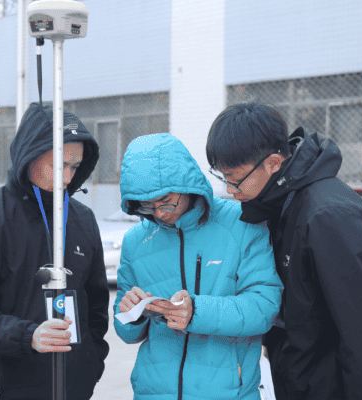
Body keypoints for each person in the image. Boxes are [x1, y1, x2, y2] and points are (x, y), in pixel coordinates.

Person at [205, 103, 362, 400]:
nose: (229, 189)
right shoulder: (275, 205)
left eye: (234, 177)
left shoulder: (328, 216)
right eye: (222, 177)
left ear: (273, 163)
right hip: (304, 382)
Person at [0, 103, 109, 400]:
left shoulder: (83, 219)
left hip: (75, 388)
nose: (68, 177)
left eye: (75, 167)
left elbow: (96, 305)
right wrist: (28, 335)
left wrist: (91, 364)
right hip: (7, 387)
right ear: (29, 156)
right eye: (59, 165)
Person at [114, 133, 283, 400]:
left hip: (229, 393)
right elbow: (125, 332)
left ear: (187, 184)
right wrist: (131, 313)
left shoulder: (242, 223)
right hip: (153, 392)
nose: (160, 212)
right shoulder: (135, 241)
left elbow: (265, 307)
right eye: (147, 205)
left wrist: (196, 312)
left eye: (166, 199)